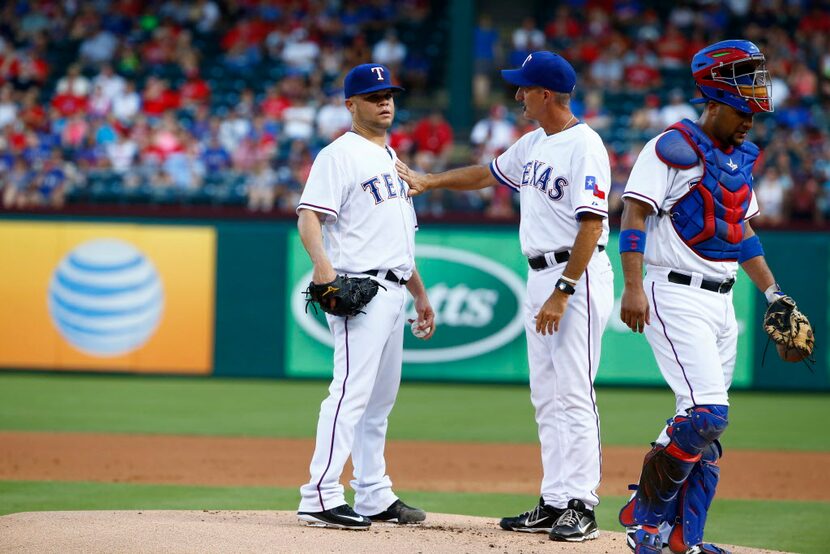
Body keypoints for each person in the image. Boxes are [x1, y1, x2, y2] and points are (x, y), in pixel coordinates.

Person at [397, 51, 614, 543]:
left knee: (575, 391)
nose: (517, 96)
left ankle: (582, 504)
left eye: (524, 88)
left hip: (572, 277)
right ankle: (555, 499)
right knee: (546, 394)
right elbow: (486, 174)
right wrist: (431, 181)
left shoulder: (586, 146)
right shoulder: (534, 143)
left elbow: (593, 224)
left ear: (546, 93)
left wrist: (563, 290)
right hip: (541, 274)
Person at [617, 40, 784, 554]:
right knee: (707, 414)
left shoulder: (737, 161)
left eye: (754, 113)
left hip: (723, 299)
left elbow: (742, 234)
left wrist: (775, 294)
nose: (749, 121)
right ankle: (644, 522)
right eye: (742, 110)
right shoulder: (670, 147)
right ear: (713, 99)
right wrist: (632, 285)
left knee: (706, 428)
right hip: (674, 292)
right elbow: (634, 214)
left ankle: (683, 540)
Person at [295, 63, 435, 530]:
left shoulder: (394, 160)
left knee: (379, 401)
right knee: (350, 392)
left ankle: (374, 493)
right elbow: (310, 218)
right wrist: (323, 270)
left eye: (389, 94)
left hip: (396, 288)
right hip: (360, 287)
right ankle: (320, 494)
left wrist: (420, 295)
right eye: (374, 95)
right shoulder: (339, 155)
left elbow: (398, 240)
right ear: (350, 104)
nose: (385, 101)